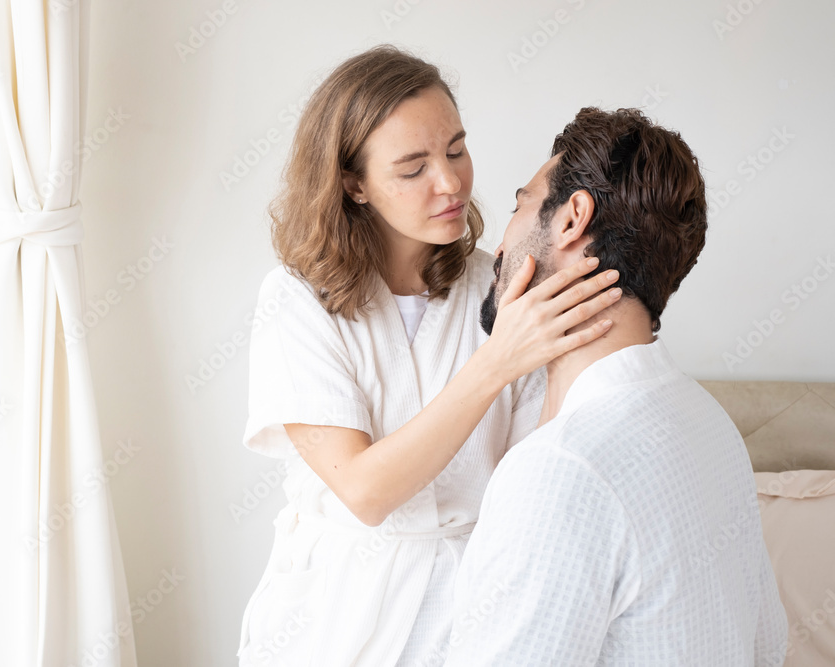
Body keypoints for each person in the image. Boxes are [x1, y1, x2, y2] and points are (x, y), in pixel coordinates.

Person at [236, 46, 623, 666]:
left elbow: (530, 482)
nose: (451, 183)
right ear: (353, 183)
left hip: (472, 599)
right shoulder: (296, 301)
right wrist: (498, 362)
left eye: (456, 150)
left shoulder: (501, 288)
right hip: (334, 615)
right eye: (413, 168)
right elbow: (365, 492)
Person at [444, 107, 788, 666]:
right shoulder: (708, 422)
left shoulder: (557, 473)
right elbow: (768, 646)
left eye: (520, 205)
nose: (499, 246)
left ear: (572, 218)